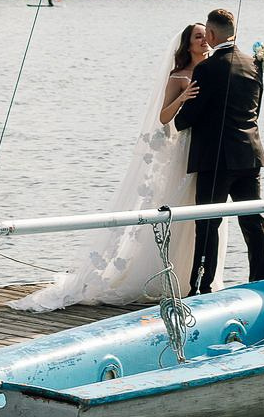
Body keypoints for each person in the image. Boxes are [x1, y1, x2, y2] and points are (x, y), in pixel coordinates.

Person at [11, 23, 221, 310]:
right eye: (198, 37)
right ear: (187, 45)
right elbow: (163, 117)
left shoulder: (215, 71)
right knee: (179, 209)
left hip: (206, 151)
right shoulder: (178, 76)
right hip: (183, 149)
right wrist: (183, 98)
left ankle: (191, 278)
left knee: (202, 215)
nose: (204, 41)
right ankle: (159, 275)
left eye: (205, 36)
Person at [174, 7, 264, 293]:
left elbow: (186, 119)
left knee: (207, 223)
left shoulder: (206, 69)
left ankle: (201, 287)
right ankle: (262, 281)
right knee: (253, 221)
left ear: (212, 34)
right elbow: (256, 110)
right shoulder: (254, 64)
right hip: (249, 154)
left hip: (215, 159)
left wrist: (182, 110)